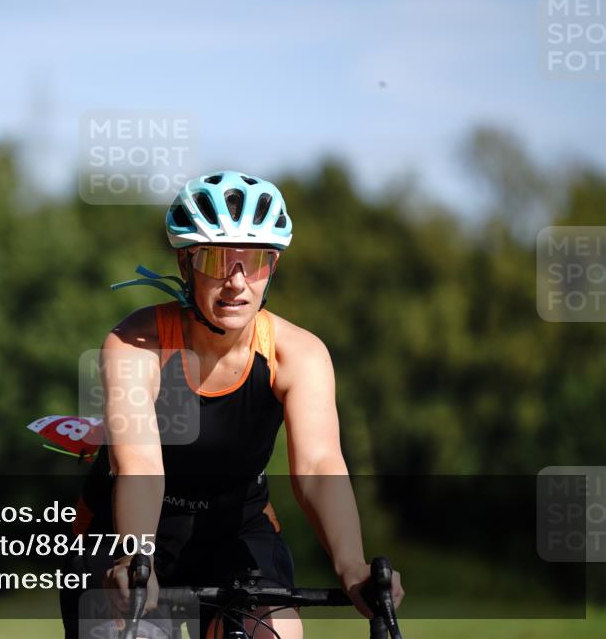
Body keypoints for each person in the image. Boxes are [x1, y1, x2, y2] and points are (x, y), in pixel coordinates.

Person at [60, 171, 403, 639]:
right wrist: (136, 555)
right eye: (218, 260)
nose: (236, 282)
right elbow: (138, 460)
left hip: (235, 529)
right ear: (186, 264)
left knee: (278, 633)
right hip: (126, 529)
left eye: (255, 261)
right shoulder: (136, 344)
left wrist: (351, 564)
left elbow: (319, 464)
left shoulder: (298, 354)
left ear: (273, 267)